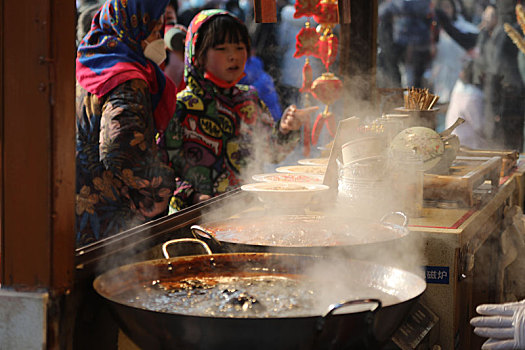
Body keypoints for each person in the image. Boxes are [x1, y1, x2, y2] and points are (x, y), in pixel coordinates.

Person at [165, 9, 317, 212]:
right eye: (222, 48)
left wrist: (287, 128)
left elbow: (270, 153)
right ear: (198, 54)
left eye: (239, 47)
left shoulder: (250, 99)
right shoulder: (180, 107)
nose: (233, 56)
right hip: (193, 219)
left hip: (247, 215)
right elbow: (160, 172)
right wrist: (193, 195)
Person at [75, 0, 177, 246]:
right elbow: (119, 150)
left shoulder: (93, 64)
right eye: (153, 31)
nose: (159, 39)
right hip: (111, 221)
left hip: (81, 206)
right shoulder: (127, 78)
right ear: (132, 30)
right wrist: (160, 183)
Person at [445, 59, 492, 148]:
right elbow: (479, 126)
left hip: (454, 141)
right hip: (466, 145)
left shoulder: (459, 89)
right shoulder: (472, 96)